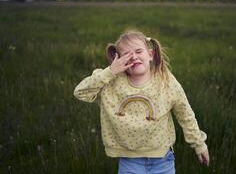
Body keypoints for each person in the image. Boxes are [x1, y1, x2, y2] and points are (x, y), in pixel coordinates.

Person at [73, 29, 210, 174]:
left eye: (138, 51)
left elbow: (185, 114)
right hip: (129, 162)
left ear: (150, 55)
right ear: (117, 59)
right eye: (126, 54)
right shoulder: (110, 82)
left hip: (163, 161)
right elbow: (80, 93)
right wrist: (110, 71)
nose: (133, 57)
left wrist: (199, 144)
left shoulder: (165, 80)